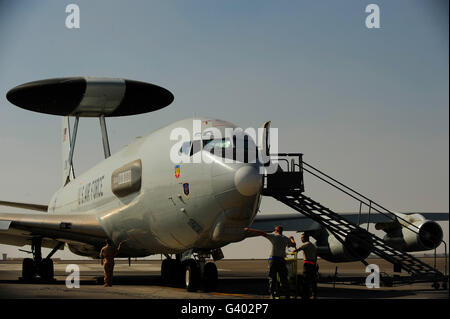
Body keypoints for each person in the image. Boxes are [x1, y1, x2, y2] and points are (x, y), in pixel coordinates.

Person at [244, 225, 296, 297]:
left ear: (276, 230)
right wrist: (292, 238)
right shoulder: (285, 238)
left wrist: (249, 230)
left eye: (275, 229)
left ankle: (273, 293)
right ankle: (287, 293)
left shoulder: (274, 236)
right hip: (282, 260)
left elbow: (261, 233)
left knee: (272, 277)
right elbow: (293, 245)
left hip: (273, 259)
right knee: (283, 278)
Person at [294, 232, 318, 298]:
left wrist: (292, 250)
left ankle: (305, 295)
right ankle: (313, 294)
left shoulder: (306, 244)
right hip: (313, 264)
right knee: (313, 280)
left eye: (302, 237)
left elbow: (297, 249)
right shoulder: (313, 246)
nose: (301, 239)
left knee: (305, 280)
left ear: (306, 238)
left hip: (307, 265)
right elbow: (315, 256)